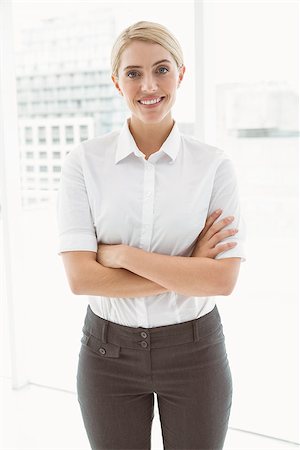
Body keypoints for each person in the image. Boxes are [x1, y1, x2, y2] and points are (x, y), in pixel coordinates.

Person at [56, 20, 246, 450]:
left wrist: (122, 255)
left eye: (161, 70)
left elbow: (222, 281)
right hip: (108, 354)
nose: (148, 85)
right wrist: (188, 268)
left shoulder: (214, 166)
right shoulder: (84, 163)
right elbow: (81, 279)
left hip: (195, 352)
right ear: (115, 81)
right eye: (133, 73)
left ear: (180, 74)